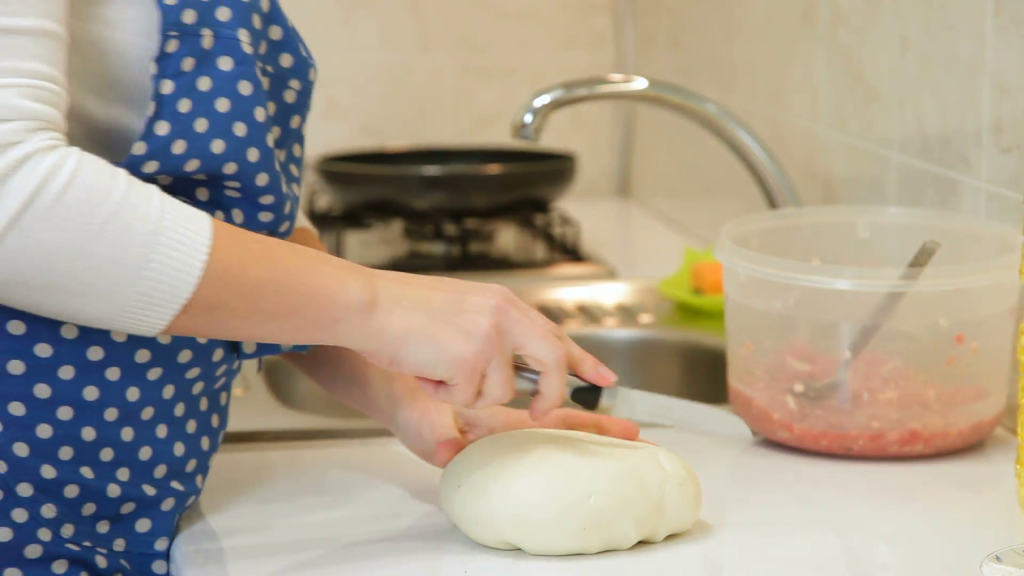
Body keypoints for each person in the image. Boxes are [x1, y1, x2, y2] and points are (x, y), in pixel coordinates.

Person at [0, 1, 641, 573]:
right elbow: (11, 191)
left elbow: (243, 221)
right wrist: (380, 304)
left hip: (135, 518)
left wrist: (406, 396)